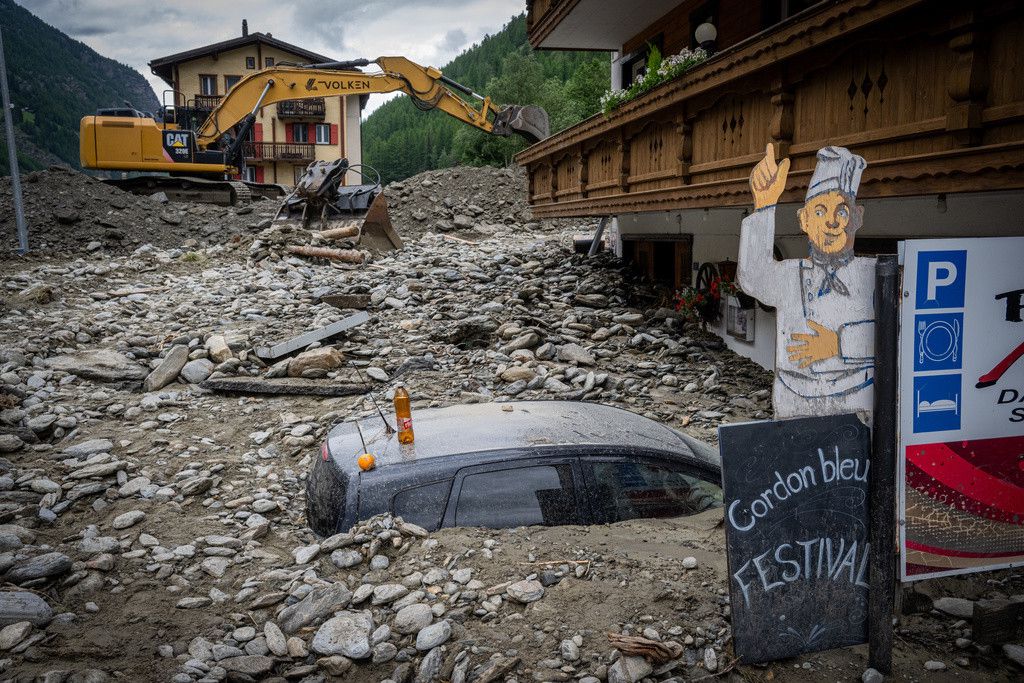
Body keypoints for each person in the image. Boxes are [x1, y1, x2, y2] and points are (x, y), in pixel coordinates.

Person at [738, 143, 875, 418]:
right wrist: (764, 205)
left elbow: (894, 331)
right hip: (793, 401)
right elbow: (753, 278)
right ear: (804, 220)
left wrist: (839, 345)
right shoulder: (790, 273)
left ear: (857, 217)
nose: (832, 223)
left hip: (859, 402)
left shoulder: (873, 273)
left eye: (842, 211)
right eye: (821, 211)